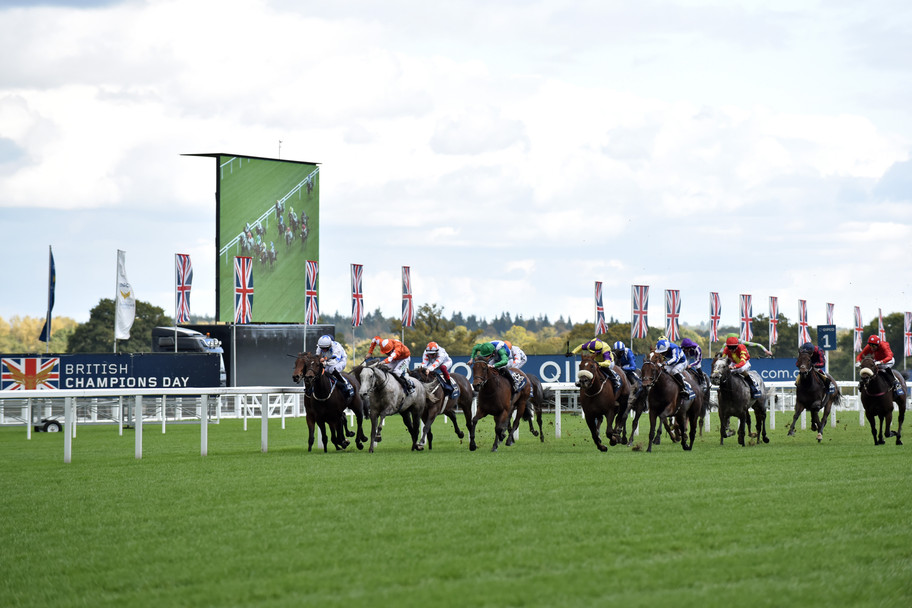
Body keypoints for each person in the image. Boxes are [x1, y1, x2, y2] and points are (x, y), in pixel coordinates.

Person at [314, 334, 354, 403]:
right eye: (322, 348)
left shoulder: (336, 347)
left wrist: (325, 363)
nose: (324, 350)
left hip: (340, 360)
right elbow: (317, 356)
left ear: (330, 345)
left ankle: (345, 383)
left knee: (331, 369)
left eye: (325, 348)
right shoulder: (320, 346)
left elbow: (335, 361)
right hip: (328, 360)